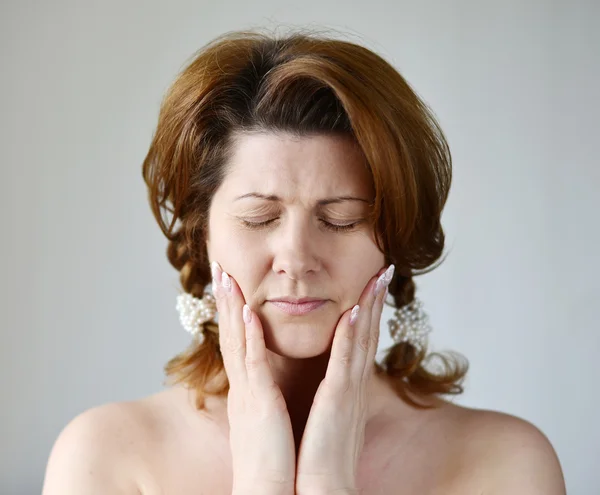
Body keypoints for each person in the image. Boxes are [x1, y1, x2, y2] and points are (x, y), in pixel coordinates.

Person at [42, 28, 567, 494]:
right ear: (202, 233)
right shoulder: (106, 458)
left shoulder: (504, 463)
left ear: (396, 238)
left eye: (340, 220)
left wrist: (327, 483)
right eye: (259, 218)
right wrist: (262, 482)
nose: (296, 258)